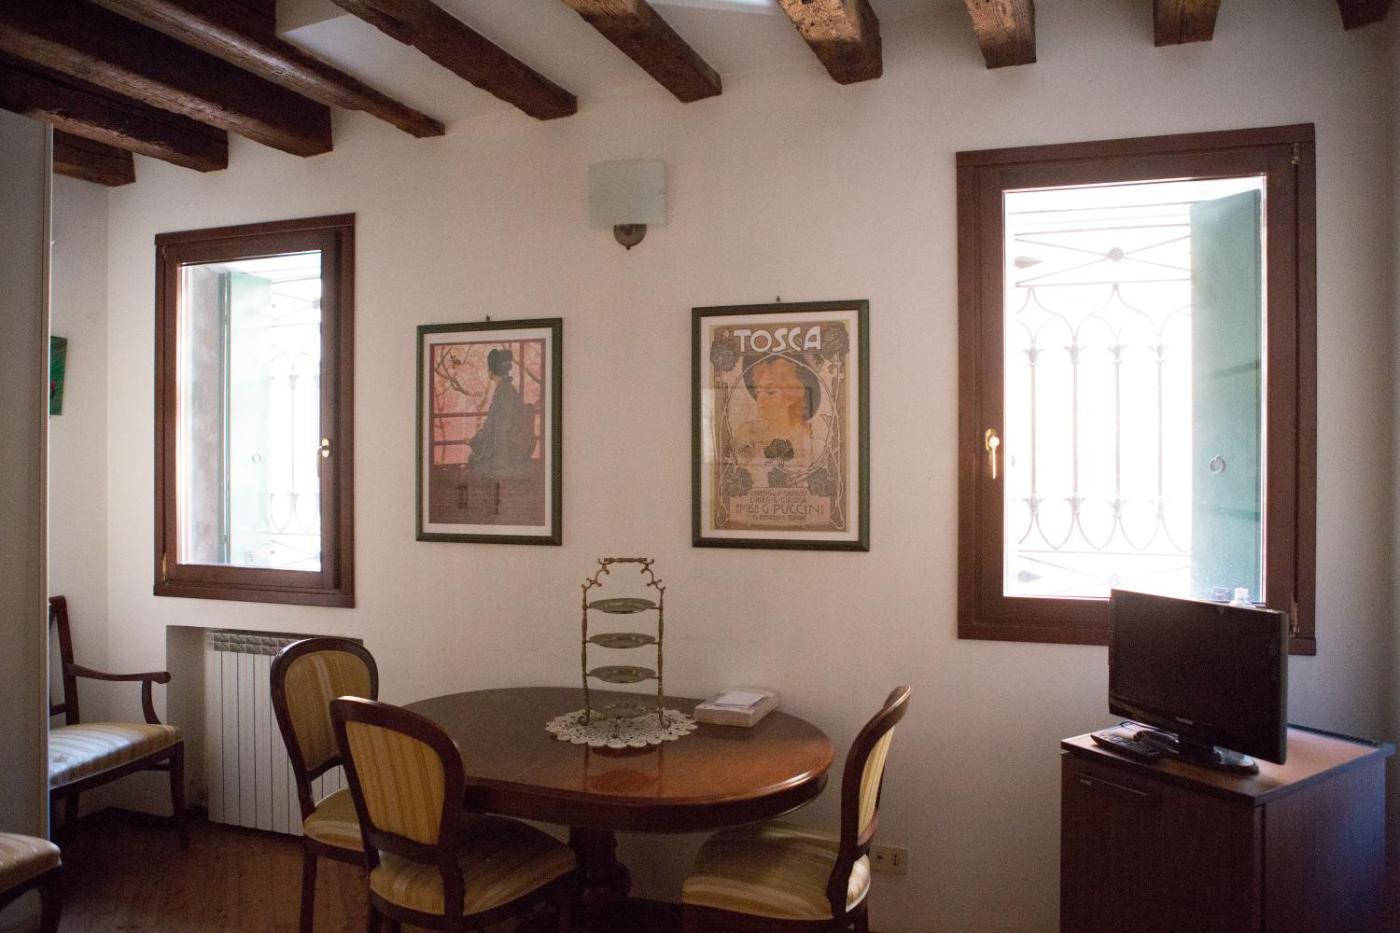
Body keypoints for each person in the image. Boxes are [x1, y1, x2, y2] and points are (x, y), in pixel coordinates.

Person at [732, 354, 824, 472]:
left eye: (770, 392)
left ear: (791, 397)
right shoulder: (747, 434)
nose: (760, 399)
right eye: (758, 391)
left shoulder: (810, 439)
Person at [466, 347, 532, 478]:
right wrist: (475, 440)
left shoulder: (503, 393)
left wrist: (499, 462)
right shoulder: (506, 389)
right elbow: (491, 425)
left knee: (473, 458)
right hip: (510, 444)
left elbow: (497, 428)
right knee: (475, 456)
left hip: (509, 450)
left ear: (491, 371)